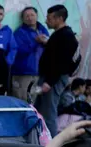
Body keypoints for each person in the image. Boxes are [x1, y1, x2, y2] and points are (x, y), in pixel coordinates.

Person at [34, 5, 80, 137]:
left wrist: (49, 82)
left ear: (59, 18)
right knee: (39, 109)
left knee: (48, 113)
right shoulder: (60, 35)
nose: (46, 21)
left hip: (53, 80)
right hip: (49, 78)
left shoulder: (66, 36)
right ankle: (39, 139)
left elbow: (61, 63)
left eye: (49, 18)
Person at [11, 7, 49, 101]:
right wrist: (35, 42)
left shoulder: (43, 30)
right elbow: (18, 51)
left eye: (32, 15)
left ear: (37, 16)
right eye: (27, 16)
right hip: (23, 73)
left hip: (39, 73)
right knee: (21, 101)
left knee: (33, 102)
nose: (30, 18)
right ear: (23, 19)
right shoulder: (19, 33)